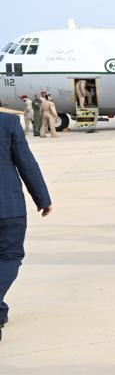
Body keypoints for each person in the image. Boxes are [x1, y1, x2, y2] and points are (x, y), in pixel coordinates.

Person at [0, 108, 52, 341]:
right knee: (9, 256)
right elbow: (26, 164)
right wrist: (42, 199)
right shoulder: (8, 122)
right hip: (7, 206)